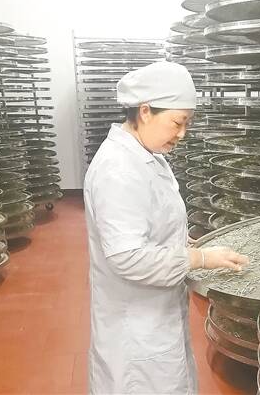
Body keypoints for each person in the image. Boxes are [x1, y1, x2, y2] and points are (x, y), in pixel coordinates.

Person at [83, 61, 249, 395]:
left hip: (155, 315)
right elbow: (128, 257)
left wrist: (187, 244)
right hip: (136, 325)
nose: (182, 133)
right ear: (145, 111)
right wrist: (199, 259)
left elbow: (153, 223)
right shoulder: (119, 170)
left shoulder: (148, 155)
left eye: (187, 123)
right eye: (177, 122)